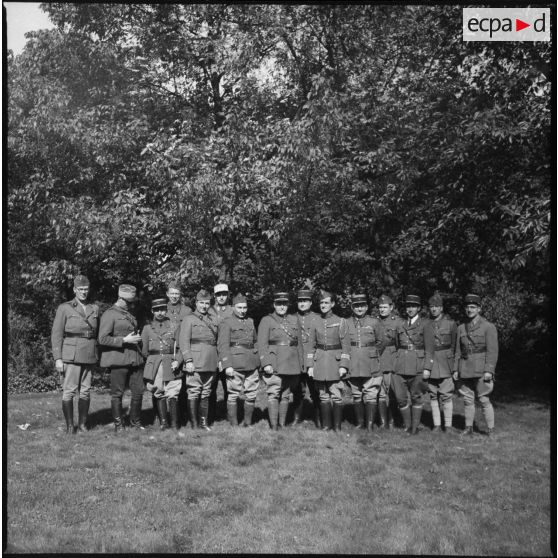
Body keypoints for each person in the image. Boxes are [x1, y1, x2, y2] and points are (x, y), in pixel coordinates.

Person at [51, 275, 99, 434]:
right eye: (80, 290)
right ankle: (70, 426)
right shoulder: (65, 308)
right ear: (74, 290)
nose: (84, 292)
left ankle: (83, 424)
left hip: (89, 352)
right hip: (71, 354)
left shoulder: (94, 308)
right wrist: (58, 358)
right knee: (69, 390)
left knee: (85, 390)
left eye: (86, 289)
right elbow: (56, 334)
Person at [98, 284, 145, 432]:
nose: (132, 305)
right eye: (129, 302)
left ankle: (135, 423)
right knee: (117, 394)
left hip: (134, 358)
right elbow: (102, 339)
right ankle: (119, 425)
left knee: (138, 391)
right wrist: (124, 340)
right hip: (118, 360)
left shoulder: (128, 314)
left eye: (132, 302)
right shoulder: (109, 314)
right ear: (120, 299)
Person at [453, 294, 498, 436]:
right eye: (467, 307)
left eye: (473, 307)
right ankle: (468, 427)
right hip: (465, 368)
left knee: (484, 399)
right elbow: (457, 351)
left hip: (481, 368)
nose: (469, 310)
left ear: (479, 309)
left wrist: (489, 370)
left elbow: (492, 351)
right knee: (467, 399)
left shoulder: (488, 327)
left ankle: (490, 429)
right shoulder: (461, 328)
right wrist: (455, 369)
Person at [258, 291, 304, 430]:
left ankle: (282, 423)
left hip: (291, 362)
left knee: (286, 394)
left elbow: (299, 343)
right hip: (275, 362)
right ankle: (274, 425)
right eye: (279, 304)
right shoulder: (267, 320)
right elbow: (262, 344)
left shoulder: (294, 319)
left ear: (288, 305)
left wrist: (301, 363)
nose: (282, 307)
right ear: (274, 304)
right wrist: (265, 363)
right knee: (274, 393)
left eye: (284, 304)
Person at [306, 290, 351, 432]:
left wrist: (343, 365)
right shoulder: (315, 321)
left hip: (334, 362)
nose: (323, 305)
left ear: (332, 304)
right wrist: (310, 365)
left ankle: (337, 426)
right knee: (323, 395)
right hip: (319, 361)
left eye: (326, 303)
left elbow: (346, 347)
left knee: (336, 394)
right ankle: (326, 425)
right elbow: (310, 346)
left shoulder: (341, 321)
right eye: (321, 303)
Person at [392, 294, 435, 434]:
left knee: (416, 396)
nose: (410, 309)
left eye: (413, 306)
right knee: (400, 397)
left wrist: (427, 367)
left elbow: (430, 348)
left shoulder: (426, 324)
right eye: (408, 306)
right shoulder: (401, 324)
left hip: (418, 364)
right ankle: (407, 425)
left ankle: (415, 427)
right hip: (401, 364)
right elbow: (398, 344)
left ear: (418, 308)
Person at [217, 294, 260, 427]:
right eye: (239, 307)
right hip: (235, 363)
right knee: (233, 393)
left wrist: (258, 360)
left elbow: (255, 341)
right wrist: (227, 365)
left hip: (251, 362)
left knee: (251, 393)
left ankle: (247, 422)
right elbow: (223, 345)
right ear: (233, 307)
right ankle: (234, 423)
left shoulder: (250, 321)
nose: (242, 310)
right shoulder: (226, 322)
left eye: (245, 307)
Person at [141, 298, 183, 433]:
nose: (160, 312)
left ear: (166, 310)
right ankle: (163, 423)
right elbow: (144, 350)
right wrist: (149, 364)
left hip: (171, 362)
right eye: (157, 310)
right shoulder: (147, 328)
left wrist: (178, 360)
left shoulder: (174, 326)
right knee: (158, 392)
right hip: (155, 364)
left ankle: (175, 423)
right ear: (152, 311)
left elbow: (181, 347)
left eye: (162, 309)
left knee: (173, 392)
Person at [180, 289, 219, 431]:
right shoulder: (189, 319)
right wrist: (188, 360)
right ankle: (194, 424)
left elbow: (218, 341)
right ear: (196, 303)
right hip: (195, 361)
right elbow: (184, 341)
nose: (204, 306)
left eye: (207, 303)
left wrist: (219, 359)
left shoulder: (214, 319)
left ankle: (204, 423)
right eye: (201, 303)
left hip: (211, 360)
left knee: (206, 392)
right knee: (194, 391)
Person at [346, 294, 385, 431]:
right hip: (353, 361)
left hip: (370, 361)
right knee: (356, 392)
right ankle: (360, 422)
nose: (359, 308)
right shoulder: (346, 322)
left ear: (367, 307)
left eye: (362, 305)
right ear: (352, 307)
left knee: (371, 392)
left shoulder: (374, 322)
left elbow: (381, 341)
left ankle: (369, 425)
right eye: (356, 306)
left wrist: (373, 353)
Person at [426, 294, 457, 432]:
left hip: (446, 362)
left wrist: (455, 367)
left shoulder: (451, 324)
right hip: (431, 363)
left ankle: (448, 425)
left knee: (446, 394)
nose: (434, 309)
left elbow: (456, 346)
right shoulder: (426, 324)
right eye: (431, 307)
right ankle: (437, 425)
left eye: (436, 307)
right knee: (433, 395)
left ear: (441, 308)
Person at [293, 289, 321, 427]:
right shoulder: (292, 318)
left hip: (313, 359)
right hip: (297, 359)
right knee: (298, 391)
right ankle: (296, 418)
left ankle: (319, 419)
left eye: (305, 301)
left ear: (310, 302)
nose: (302, 303)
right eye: (300, 301)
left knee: (316, 390)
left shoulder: (317, 317)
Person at [376, 294, 404, 428]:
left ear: (391, 307)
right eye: (380, 307)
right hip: (377, 359)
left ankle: (392, 421)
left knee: (392, 391)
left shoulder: (398, 322)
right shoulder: (375, 321)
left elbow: (401, 343)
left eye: (385, 307)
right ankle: (382, 422)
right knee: (380, 392)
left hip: (392, 359)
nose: (382, 310)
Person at [208, 283, 234, 421]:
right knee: (211, 387)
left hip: (228, 352)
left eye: (224, 294)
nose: (222, 297)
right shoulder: (209, 310)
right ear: (215, 296)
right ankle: (211, 415)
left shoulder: (233, 310)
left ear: (228, 295)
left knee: (229, 386)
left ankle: (229, 414)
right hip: (211, 352)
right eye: (219, 295)